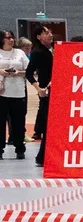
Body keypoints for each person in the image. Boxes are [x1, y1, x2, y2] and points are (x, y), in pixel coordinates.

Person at [25, 25, 54, 166]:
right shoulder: (38, 52)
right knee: (48, 125)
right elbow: (28, 73)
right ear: (38, 36)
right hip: (47, 93)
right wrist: (39, 89)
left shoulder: (55, 48)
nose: (50, 34)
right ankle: (41, 157)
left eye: (50, 32)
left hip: (59, 91)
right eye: (46, 32)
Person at [0, 30, 29, 159]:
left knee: (18, 122)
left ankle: (19, 148)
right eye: (8, 38)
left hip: (18, 93)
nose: (11, 40)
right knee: (1, 123)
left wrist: (17, 72)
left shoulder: (20, 53)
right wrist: (2, 71)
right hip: (2, 93)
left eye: (12, 38)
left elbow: (29, 71)